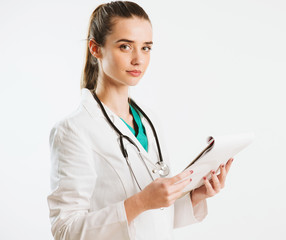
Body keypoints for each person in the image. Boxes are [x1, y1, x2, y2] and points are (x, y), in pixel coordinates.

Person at [47, 1, 234, 239]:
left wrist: (196, 196)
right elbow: (66, 231)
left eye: (146, 48)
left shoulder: (150, 121)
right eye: (125, 46)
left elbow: (155, 217)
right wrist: (141, 202)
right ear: (96, 48)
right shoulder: (73, 130)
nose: (138, 59)